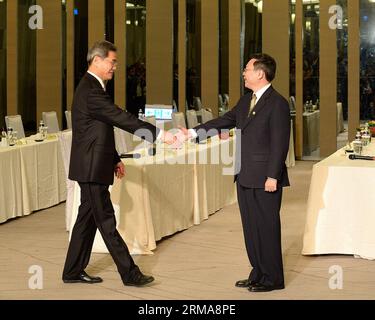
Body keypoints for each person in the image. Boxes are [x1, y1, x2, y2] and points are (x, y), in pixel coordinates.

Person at [62, 41, 175, 287]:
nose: (115, 67)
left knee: (86, 219)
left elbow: (99, 129)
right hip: (91, 168)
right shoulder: (91, 90)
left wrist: (114, 159)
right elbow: (120, 118)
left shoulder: (93, 88)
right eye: (112, 62)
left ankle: (72, 270)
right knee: (106, 222)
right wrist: (158, 134)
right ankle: (130, 273)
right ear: (97, 60)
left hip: (94, 164)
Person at [177, 53, 290, 292]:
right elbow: (223, 121)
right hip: (245, 174)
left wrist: (273, 176)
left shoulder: (277, 103)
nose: (244, 73)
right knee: (251, 227)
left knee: (267, 228)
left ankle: (273, 279)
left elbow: (280, 143)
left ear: (260, 73)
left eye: (247, 69)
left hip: (265, 178)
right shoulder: (246, 100)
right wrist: (191, 133)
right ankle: (258, 272)